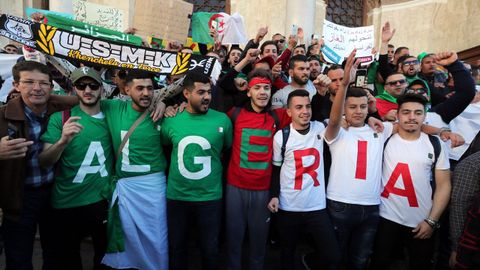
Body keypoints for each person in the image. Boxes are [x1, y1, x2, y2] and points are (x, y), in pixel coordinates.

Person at [267, 50, 357, 270]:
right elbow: (276, 170)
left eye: (307, 106)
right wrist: (274, 195)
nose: (305, 111)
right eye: (298, 107)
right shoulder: (282, 136)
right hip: (288, 207)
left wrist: (343, 85)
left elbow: (334, 119)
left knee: (333, 256)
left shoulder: (320, 128)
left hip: (317, 206)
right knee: (287, 255)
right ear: (288, 112)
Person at [0, 60, 76, 269]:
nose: (37, 88)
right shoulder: (2, 116)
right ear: (16, 85)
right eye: (29, 82)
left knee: (55, 254)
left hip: (53, 193)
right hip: (18, 197)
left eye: (43, 83)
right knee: (18, 257)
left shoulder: (60, 109)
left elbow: (87, 98)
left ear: (51, 87)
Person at [39, 67, 113, 270]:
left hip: (102, 202)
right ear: (74, 89)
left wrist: (162, 104)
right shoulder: (61, 119)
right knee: (69, 260)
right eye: (81, 85)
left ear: (102, 89)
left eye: (93, 85)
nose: (87, 90)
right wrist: (63, 141)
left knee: (106, 259)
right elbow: (44, 160)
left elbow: (144, 100)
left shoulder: (113, 115)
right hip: (67, 203)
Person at [370, 93, 452, 270]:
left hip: (421, 223)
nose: (412, 117)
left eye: (418, 113)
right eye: (406, 112)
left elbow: (444, 185)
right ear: (397, 115)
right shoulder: (384, 137)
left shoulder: (435, 144)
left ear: (425, 116)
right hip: (385, 219)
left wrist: (432, 221)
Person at [161, 72, 232, 270]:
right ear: (186, 94)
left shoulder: (223, 121)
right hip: (177, 197)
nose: (207, 97)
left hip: (210, 198)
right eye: (200, 92)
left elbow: (226, 147)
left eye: (209, 92)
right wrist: (165, 107)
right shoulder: (171, 121)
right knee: (177, 250)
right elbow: (166, 144)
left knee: (210, 251)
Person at [101, 70, 169, 270]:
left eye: (150, 88)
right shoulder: (114, 108)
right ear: (126, 89)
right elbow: (82, 101)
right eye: (140, 88)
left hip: (153, 187)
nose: (146, 93)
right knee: (126, 235)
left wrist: (168, 103)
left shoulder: (162, 113)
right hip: (125, 188)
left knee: (157, 237)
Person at [225, 69, 290, 270]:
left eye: (267, 88)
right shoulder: (234, 113)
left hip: (263, 191)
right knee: (233, 241)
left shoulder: (278, 116)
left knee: (258, 244)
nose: (262, 92)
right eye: (257, 87)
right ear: (248, 91)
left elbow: (306, 110)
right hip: (235, 188)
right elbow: (219, 92)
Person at [325, 87, 394, 270]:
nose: (358, 111)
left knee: (360, 260)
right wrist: (345, 81)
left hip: (372, 207)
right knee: (334, 259)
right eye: (352, 107)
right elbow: (333, 120)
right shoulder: (337, 130)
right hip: (339, 204)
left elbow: (410, 123)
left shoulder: (380, 128)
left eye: (363, 107)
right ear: (344, 109)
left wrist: (442, 131)